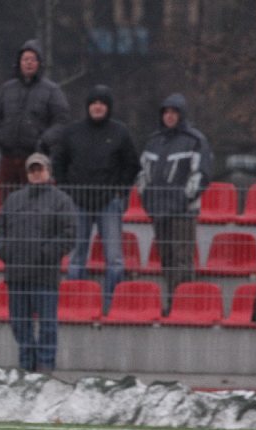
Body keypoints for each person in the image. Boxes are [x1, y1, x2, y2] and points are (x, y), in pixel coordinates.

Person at [52, 84, 140, 311]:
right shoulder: (72, 132)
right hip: (78, 202)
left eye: (102, 103)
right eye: (94, 102)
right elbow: (59, 162)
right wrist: (66, 190)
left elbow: (132, 165)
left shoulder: (120, 132)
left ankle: (113, 304)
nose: (97, 106)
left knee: (114, 258)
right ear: (88, 106)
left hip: (109, 203)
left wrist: (119, 190)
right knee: (76, 257)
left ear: (108, 107)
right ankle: (75, 303)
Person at [0, 153, 76, 373]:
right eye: (32, 170)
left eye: (40, 169)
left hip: (44, 274)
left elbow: (69, 234)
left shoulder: (61, 200)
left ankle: (45, 365)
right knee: (20, 324)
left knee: (48, 324)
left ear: (48, 171)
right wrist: (4, 251)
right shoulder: (13, 199)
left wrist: (45, 253)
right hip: (17, 273)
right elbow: (0, 229)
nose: (36, 173)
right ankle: (27, 364)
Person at [136, 93, 213, 314]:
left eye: (174, 112)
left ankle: (182, 304)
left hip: (183, 212)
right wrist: (147, 200)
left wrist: (182, 200)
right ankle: (173, 300)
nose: (169, 116)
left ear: (181, 114)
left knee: (182, 258)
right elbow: (142, 174)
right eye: (166, 112)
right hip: (158, 210)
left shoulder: (195, 140)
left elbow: (202, 175)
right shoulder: (153, 140)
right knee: (167, 257)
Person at [0, 39, 70, 193]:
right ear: (19, 62)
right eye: (25, 59)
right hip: (8, 158)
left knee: (34, 204)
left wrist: (44, 141)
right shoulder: (7, 88)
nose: (29, 63)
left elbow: (62, 121)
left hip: (35, 159)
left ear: (39, 63)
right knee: (7, 204)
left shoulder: (52, 91)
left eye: (33, 59)